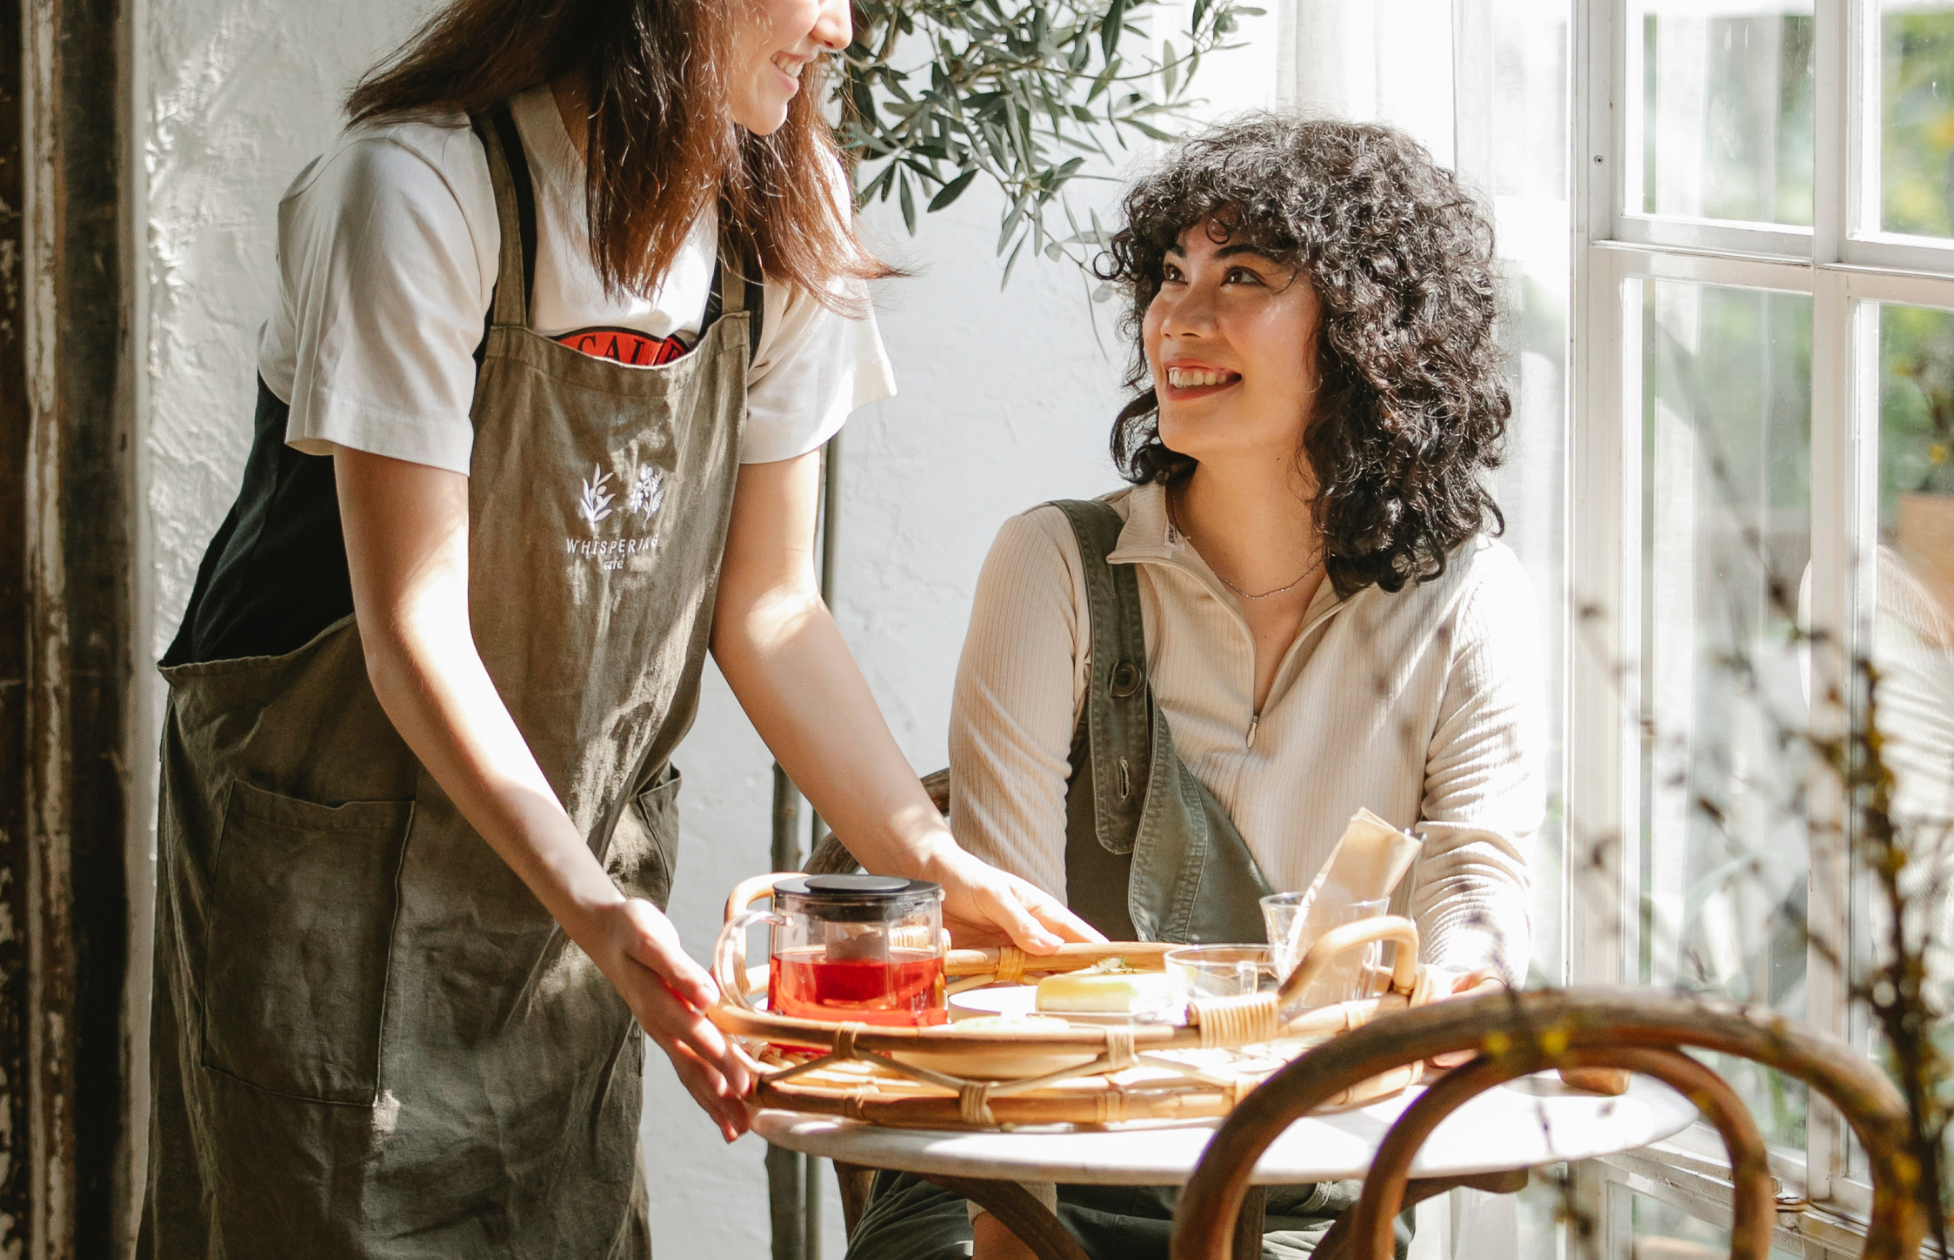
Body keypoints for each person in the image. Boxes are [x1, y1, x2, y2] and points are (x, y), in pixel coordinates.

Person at [136, 3, 1097, 1256]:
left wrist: (932, 857)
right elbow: (413, 622)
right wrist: (593, 909)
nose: (842, 28)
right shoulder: (417, 188)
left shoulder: (783, 203)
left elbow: (766, 604)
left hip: (567, 884)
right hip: (332, 871)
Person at [845, 116, 1543, 1260]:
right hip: (1034, 1174)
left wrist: (1464, 985)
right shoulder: (1056, 565)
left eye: (1242, 277)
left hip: (1301, 1192)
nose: (1177, 315)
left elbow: (1475, 872)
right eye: (1169, 275)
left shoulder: (1467, 600)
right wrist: (1018, 1242)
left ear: (1372, 329)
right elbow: (1003, 968)